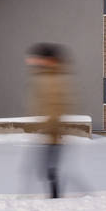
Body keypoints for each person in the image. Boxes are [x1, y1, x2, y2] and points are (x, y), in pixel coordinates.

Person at [27, 43, 71, 198]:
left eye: (40, 59)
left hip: (53, 130)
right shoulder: (46, 77)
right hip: (48, 130)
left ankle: (55, 198)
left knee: (49, 169)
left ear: (50, 60)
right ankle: (55, 197)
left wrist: (52, 127)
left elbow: (56, 104)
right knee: (46, 169)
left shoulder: (53, 79)